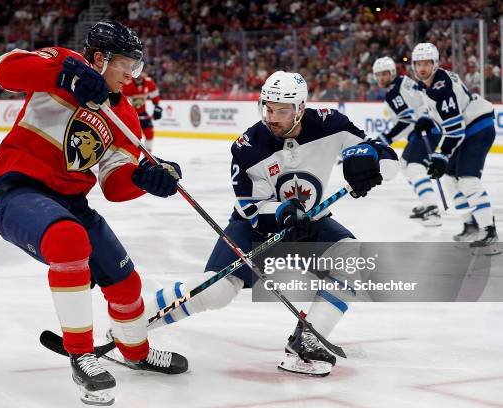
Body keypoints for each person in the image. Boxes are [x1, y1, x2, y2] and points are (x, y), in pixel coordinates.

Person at [132, 71, 398, 377]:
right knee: (217, 291)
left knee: (351, 256)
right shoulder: (248, 147)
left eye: (282, 111)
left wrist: (372, 165)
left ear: (300, 108)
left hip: (310, 223)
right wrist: (284, 212)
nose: (272, 117)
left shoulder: (331, 124)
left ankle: (308, 339)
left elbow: (378, 151)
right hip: (257, 227)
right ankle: (134, 322)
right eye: (268, 108)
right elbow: (249, 207)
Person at [0, 20, 188, 406]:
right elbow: (4, 69)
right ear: (98, 57)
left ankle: (135, 352)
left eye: (135, 66)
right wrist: (62, 76)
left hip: (73, 202)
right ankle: (82, 354)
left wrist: (145, 179)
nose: (131, 74)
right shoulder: (64, 61)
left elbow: (113, 185)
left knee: (126, 282)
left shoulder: (124, 116)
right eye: (125, 64)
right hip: (19, 189)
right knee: (68, 240)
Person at [411, 43, 499, 252]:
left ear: (435, 64)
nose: (422, 68)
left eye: (427, 63)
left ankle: (488, 230)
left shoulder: (443, 87)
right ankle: (470, 224)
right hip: (466, 127)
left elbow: (455, 129)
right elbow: (445, 113)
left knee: (468, 180)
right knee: (450, 180)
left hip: (477, 128)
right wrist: (428, 119)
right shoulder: (430, 82)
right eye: (419, 63)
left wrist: (441, 155)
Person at [372, 56, 442, 226]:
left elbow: (407, 120)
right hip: (428, 126)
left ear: (392, 73)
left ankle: (433, 209)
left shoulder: (394, 91)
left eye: (385, 74)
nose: (381, 78)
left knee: (413, 167)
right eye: (378, 75)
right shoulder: (403, 82)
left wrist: (384, 139)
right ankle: (427, 202)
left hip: (427, 129)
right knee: (405, 165)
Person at [122, 71, 162, 153]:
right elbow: (125, 103)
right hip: (130, 114)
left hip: (142, 112)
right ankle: (130, 153)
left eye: (142, 72)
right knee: (132, 136)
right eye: (137, 73)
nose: (140, 75)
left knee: (149, 132)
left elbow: (155, 96)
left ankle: (148, 154)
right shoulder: (127, 85)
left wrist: (157, 107)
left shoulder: (149, 82)